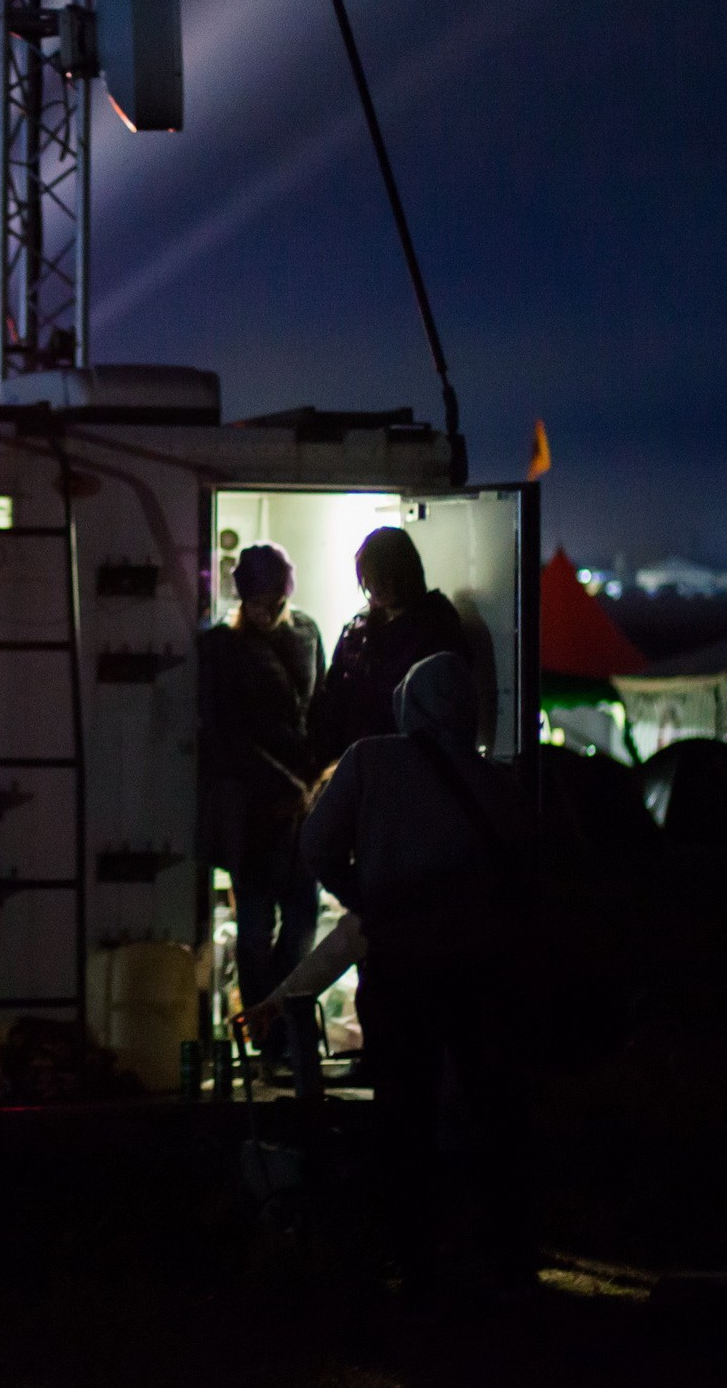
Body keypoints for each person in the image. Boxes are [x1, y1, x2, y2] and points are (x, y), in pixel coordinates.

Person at [303, 651, 536, 1298]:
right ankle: (500, 1257)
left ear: (410, 700)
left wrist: (368, 894)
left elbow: (315, 843)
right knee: (488, 1112)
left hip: (402, 968)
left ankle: (413, 1260)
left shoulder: (371, 760)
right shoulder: (501, 785)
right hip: (482, 974)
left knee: (401, 1112)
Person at [197, 542, 324, 1061]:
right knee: (254, 935)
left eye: (276, 601)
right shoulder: (223, 647)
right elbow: (227, 734)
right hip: (255, 810)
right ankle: (270, 1040)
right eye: (259, 603)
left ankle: (286, 1035)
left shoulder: (307, 632)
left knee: (299, 927)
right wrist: (290, 786)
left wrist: (317, 782)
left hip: (300, 807)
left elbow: (319, 711)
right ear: (242, 599)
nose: (269, 612)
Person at [308, 527, 471, 771]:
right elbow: (333, 697)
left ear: (406, 575)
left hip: (408, 766)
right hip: (356, 761)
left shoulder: (435, 626)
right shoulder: (358, 629)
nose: (378, 588)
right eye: (371, 580)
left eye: (387, 578)